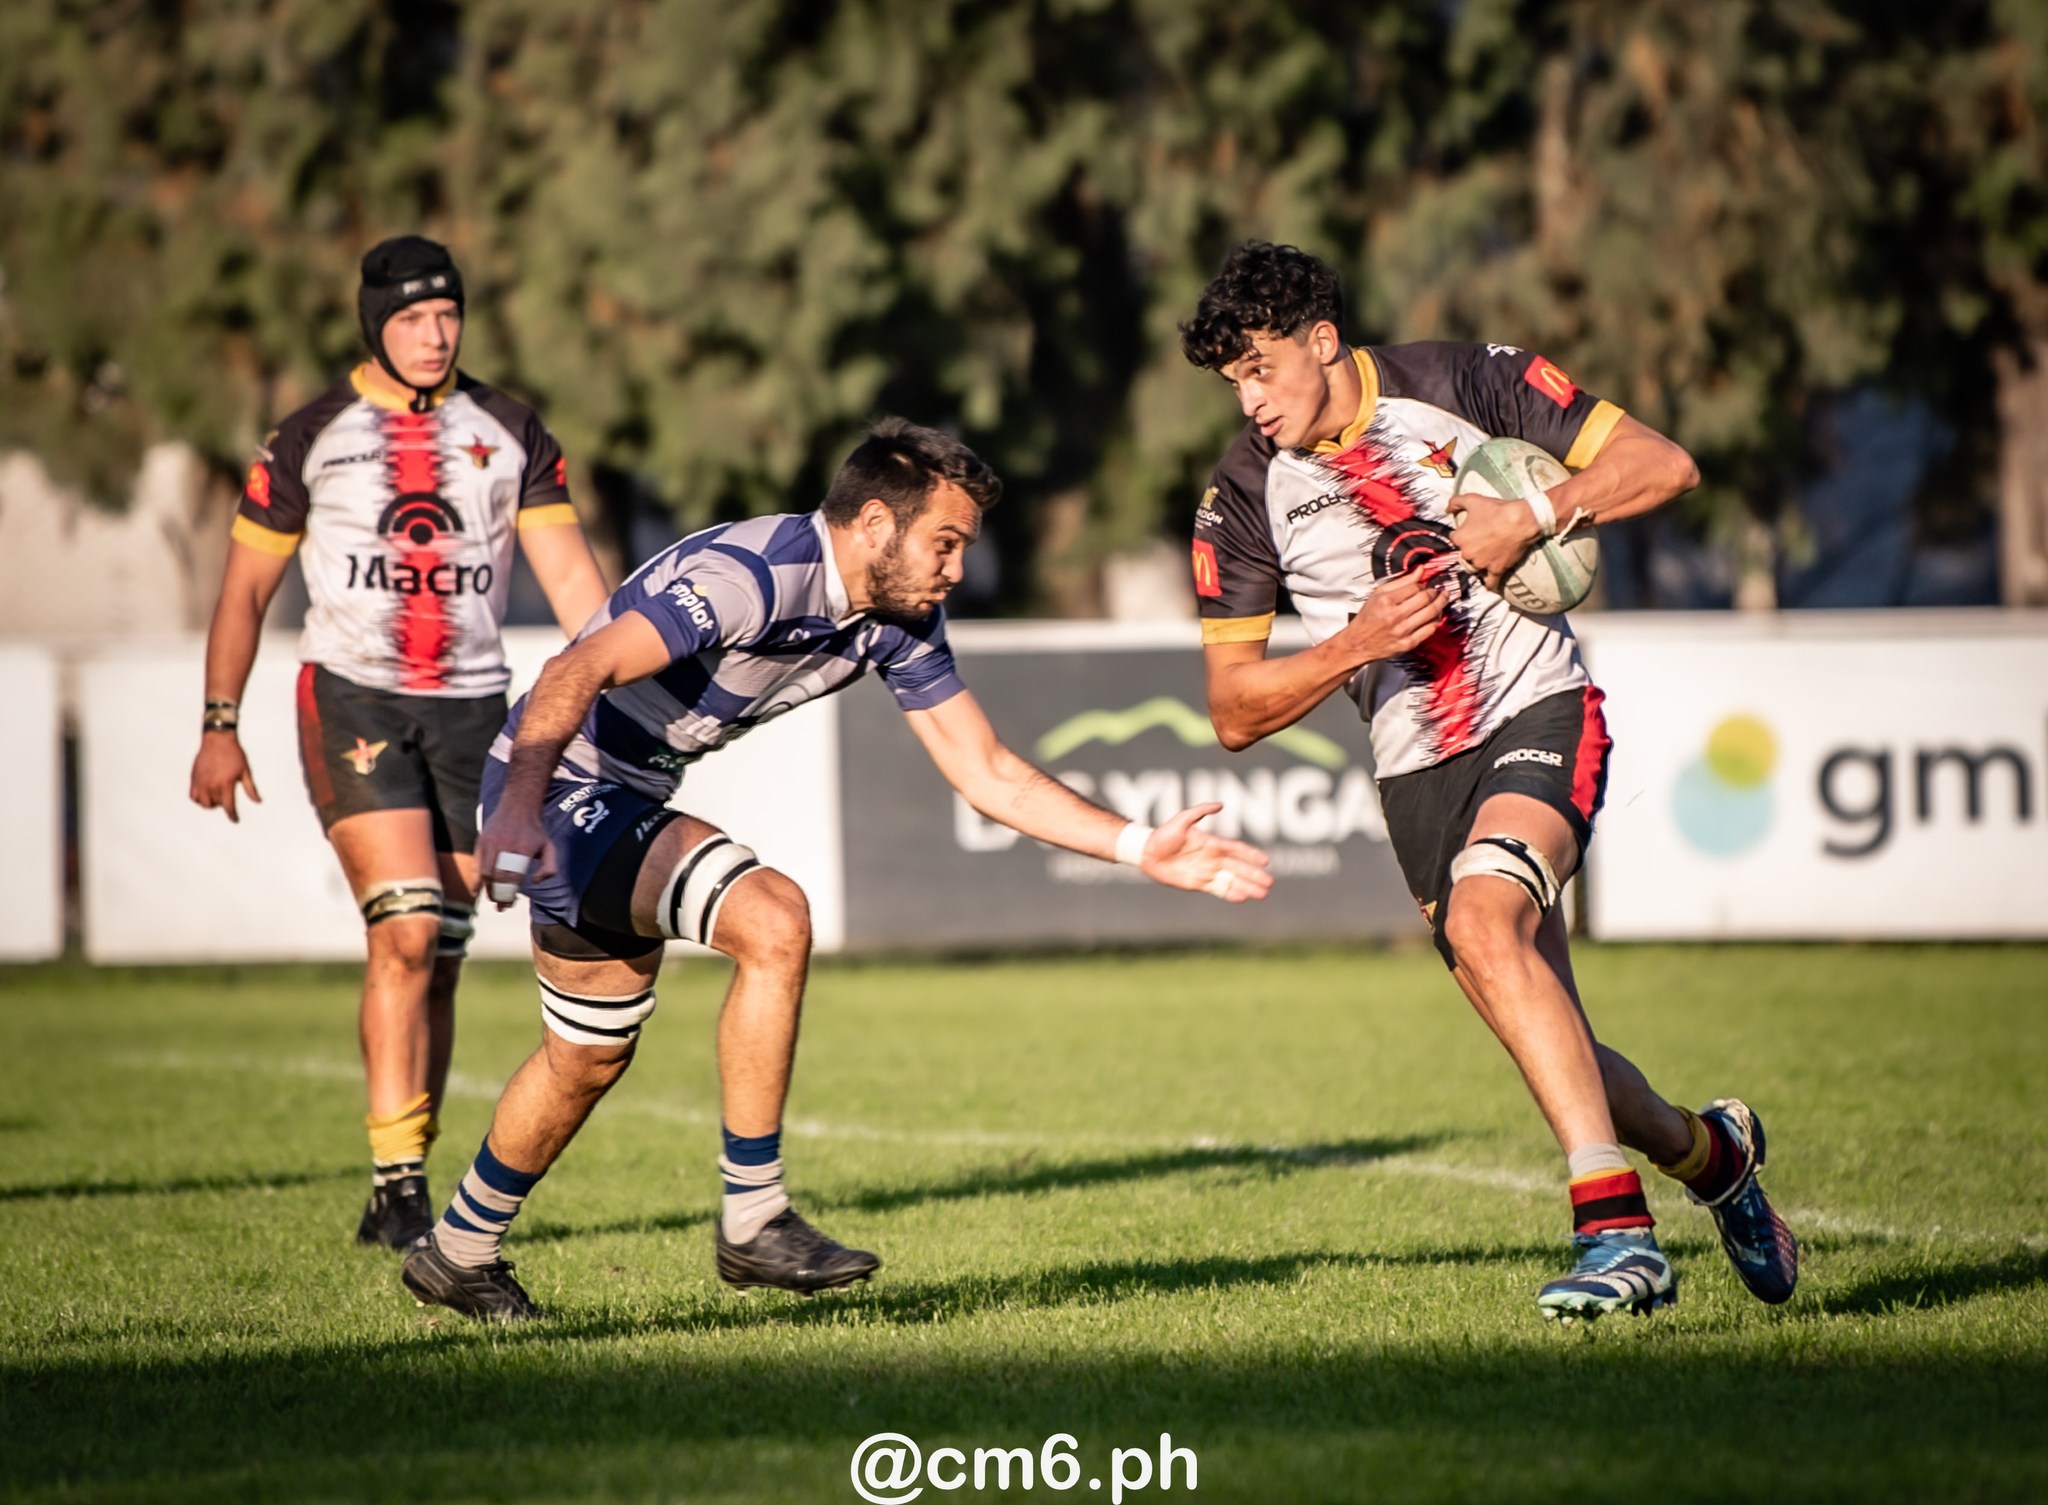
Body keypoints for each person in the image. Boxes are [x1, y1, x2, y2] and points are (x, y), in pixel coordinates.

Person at [398, 417, 1275, 1321]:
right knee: (774, 918)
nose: (955, 569)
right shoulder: (753, 578)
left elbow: (988, 772)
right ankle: (754, 1214)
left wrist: (1138, 847)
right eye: (944, 542)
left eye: (962, 548)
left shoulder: (896, 620)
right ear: (870, 526)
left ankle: (458, 1251)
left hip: (616, 793)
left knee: (584, 1058)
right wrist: (510, 809)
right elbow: (576, 666)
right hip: (556, 783)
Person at [1178, 241, 1797, 1322]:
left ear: (1322, 340)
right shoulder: (1240, 493)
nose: (1249, 397)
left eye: (1259, 366)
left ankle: (1615, 1236)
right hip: (1413, 766)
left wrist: (1534, 513)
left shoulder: (1467, 383)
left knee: (1485, 913)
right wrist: (1346, 645)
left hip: (1536, 707)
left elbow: (1664, 464)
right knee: (1529, 1000)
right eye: (1231, 379)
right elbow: (1233, 709)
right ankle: (1713, 1156)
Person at [189, 236, 611, 1251]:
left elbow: (578, 591)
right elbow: (245, 588)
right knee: (408, 929)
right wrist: (218, 724)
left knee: (451, 952)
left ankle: (410, 1162)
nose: (435, 334)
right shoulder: (308, 436)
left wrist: (611, 695)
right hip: (354, 700)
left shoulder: (510, 430)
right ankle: (395, 1183)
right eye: (414, 317)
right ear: (373, 321)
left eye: (449, 315)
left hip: (477, 710)